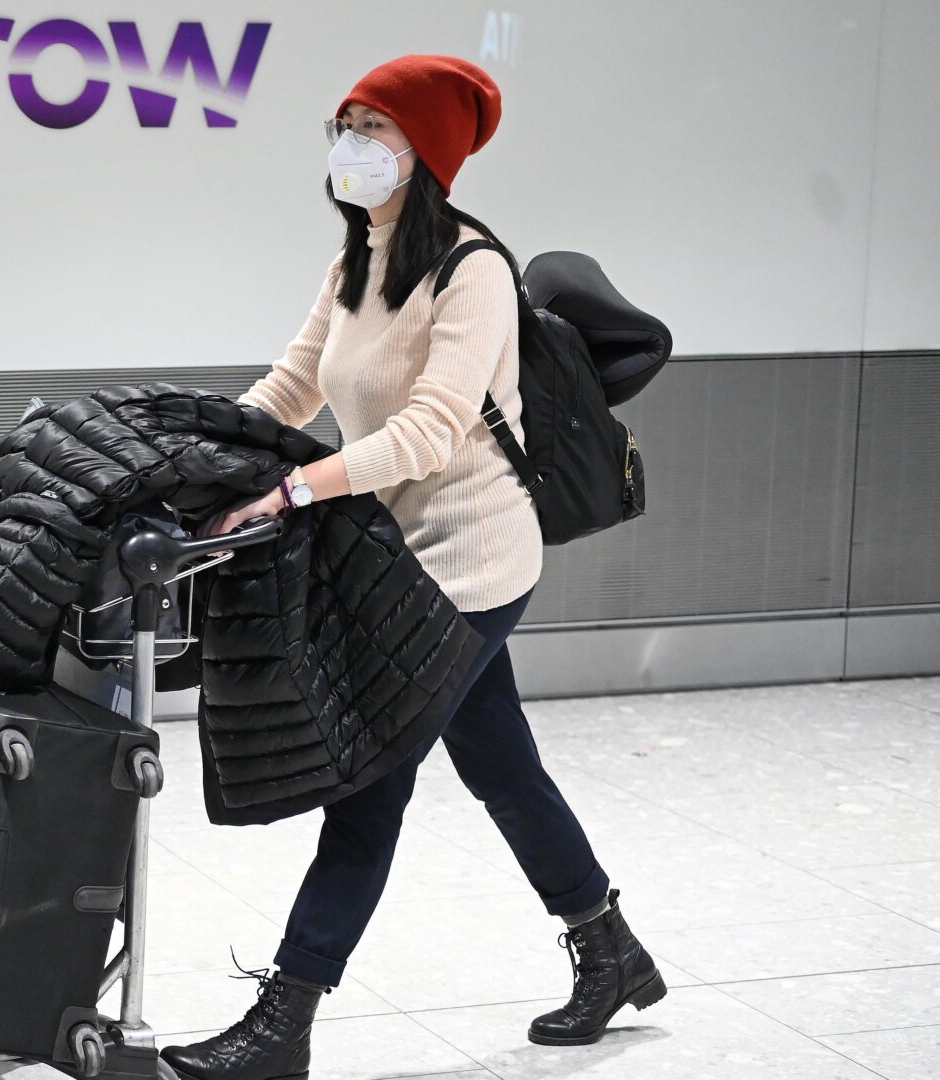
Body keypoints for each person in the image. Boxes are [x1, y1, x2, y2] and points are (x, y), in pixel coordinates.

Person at [163, 55, 664, 1080]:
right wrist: (211, 456)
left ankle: (283, 1022)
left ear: (422, 150)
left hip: (477, 560)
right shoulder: (359, 256)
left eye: (374, 127)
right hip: (401, 554)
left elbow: (434, 431)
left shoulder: (468, 269)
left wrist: (296, 491)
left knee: (370, 782)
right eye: (343, 123)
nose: (350, 145)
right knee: (501, 765)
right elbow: (296, 381)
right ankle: (608, 947)